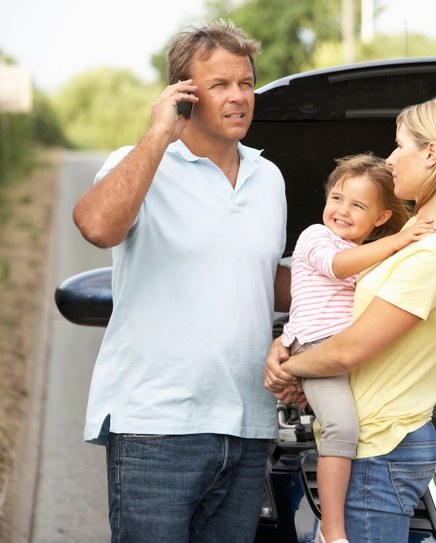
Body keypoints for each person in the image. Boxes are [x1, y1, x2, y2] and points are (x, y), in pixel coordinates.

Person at [72, 20, 289, 542]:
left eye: (245, 83)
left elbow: (265, 281)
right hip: (157, 426)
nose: (239, 98)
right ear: (183, 96)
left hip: (249, 425)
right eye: (219, 85)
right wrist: (157, 136)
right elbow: (98, 226)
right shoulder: (138, 163)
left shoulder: (270, 178)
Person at [265, 91, 436, 542]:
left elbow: (349, 349)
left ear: (431, 153)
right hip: (376, 444)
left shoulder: (432, 253)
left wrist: (285, 368)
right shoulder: (429, 242)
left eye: (400, 146)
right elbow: (330, 300)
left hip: (380, 450)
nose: (390, 160)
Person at [282, 153, 436, 543]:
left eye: (358, 204)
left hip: (350, 353)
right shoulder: (317, 238)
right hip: (317, 349)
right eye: (337, 198)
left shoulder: (370, 256)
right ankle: (331, 533)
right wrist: (401, 241)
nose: (342, 210)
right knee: (341, 428)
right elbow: (338, 266)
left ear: (381, 217)